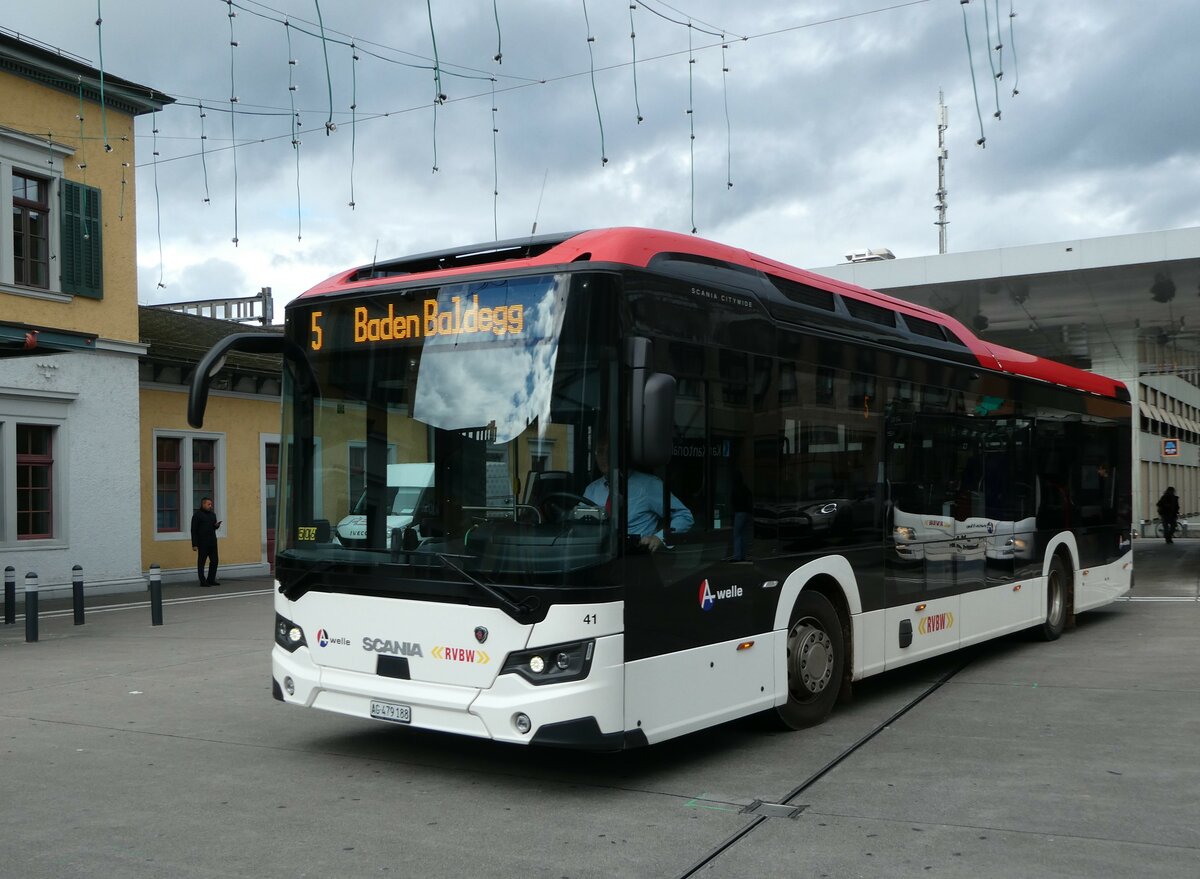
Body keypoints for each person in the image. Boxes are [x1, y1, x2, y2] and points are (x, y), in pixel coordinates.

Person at [583, 434, 692, 552]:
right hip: (597, 556)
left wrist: (659, 538)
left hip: (634, 558)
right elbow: (578, 521)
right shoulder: (591, 489)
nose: (604, 457)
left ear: (620, 453)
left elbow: (684, 516)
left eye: (609, 451)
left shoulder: (649, 485)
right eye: (599, 451)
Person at [191, 497, 222, 585]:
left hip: (212, 542)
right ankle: (202, 581)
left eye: (211, 504)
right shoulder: (197, 515)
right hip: (202, 542)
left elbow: (213, 527)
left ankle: (211, 579)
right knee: (201, 562)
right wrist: (194, 544)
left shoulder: (212, 515)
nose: (210, 506)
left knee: (215, 561)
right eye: (208, 504)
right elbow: (193, 530)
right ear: (203, 504)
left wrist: (216, 526)